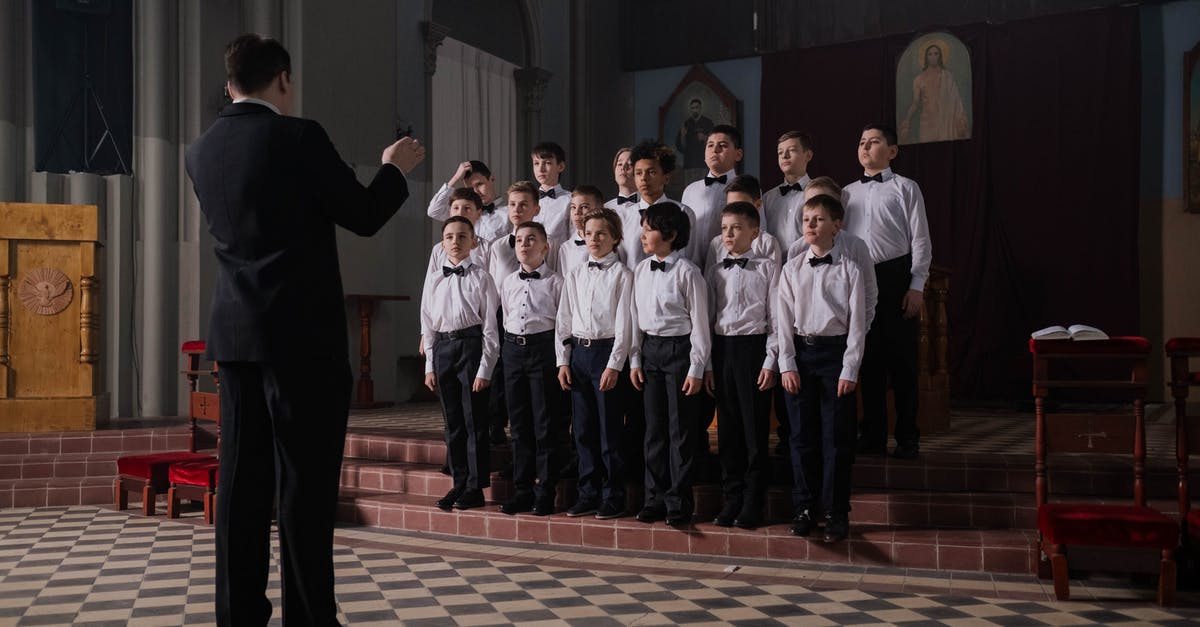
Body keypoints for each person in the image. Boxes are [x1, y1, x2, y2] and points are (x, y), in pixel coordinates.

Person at [184, 33, 425, 625]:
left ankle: (238, 616)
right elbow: (364, 215)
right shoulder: (299, 136)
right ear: (283, 79)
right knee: (305, 485)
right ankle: (310, 618)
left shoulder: (200, 150)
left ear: (229, 83)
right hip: (303, 341)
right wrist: (394, 170)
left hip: (236, 339)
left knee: (241, 486)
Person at [777, 194, 867, 544]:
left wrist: (850, 368)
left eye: (818, 219)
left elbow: (857, 325)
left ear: (837, 225)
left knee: (836, 439)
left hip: (835, 356)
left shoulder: (850, 269)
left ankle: (835, 512)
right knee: (801, 438)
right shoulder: (791, 269)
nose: (810, 226)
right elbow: (783, 321)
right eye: (806, 220)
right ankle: (803, 508)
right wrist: (786, 362)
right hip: (801, 355)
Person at [843, 123, 931, 460]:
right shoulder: (847, 192)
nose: (865, 147)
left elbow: (920, 240)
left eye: (874, 142)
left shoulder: (907, 188)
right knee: (869, 363)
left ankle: (908, 436)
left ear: (892, 151)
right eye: (861, 142)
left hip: (895, 277)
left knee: (903, 364)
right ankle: (873, 435)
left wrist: (916, 285)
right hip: (858, 280)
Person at [629, 202, 710, 528]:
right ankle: (654, 499)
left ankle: (678, 502)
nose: (643, 236)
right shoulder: (639, 270)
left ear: (671, 235)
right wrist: (635, 357)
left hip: (680, 352)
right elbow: (634, 319)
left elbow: (701, 324)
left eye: (649, 229)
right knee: (654, 431)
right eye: (644, 228)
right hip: (650, 352)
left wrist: (697, 367)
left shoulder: (688, 272)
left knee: (680, 432)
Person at [703, 201, 779, 530]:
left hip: (754, 349)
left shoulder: (767, 268)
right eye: (724, 229)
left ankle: (753, 501)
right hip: (722, 349)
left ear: (755, 232)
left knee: (753, 431)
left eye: (736, 228)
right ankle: (731, 497)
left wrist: (771, 359)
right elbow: (705, 319)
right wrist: (706, 364)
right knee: (728, 430)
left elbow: (776, 318)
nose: (728, 234)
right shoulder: (714, 270)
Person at [556, 208, 634, 520]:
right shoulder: (574, 274)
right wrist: (563, 360)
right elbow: (564, 319)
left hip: (606, 354)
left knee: (609, 431)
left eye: (601, 233)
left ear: (616, 238)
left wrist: (615, 365)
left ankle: (613, 494)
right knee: (583, 431)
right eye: (589, 233)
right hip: (579, 354)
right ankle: (587, 493)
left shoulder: (623, 275)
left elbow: (625, 324)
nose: (594, 239)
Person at [421, 216, 500, 513]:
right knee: (451, 422)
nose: (456, 241)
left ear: (473, 242)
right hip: (442, 348)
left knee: (473, 421)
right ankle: (458, 481)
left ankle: (475, 487)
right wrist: (430, 364)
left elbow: (491, 328)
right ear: (443, 243)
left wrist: (485, 368)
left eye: (462, 236)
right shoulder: (434, 277)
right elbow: (426, 322)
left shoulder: (483, 277)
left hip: (471, 346)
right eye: (450, 236)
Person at [498, 221, 565, 516]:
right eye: (520, 240)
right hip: (513, 350)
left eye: (531, 240)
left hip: (544, 349)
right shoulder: (508, 281)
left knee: (545, 424)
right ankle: (522, 489)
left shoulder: (557, 282)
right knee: (519, 424)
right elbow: (507, 317)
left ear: (545, 246)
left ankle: (545, 492)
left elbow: (563, 325)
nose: (524, 245)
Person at [620, 140, 698, 272]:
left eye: (651, 172)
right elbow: (621, 259)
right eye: (639, 173)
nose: (644, 178)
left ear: (666, 178)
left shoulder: (683, 212)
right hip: (634, 288)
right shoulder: (624, 215)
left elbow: (691, 256)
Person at [681, 124, 744, 270]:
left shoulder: (744, 189)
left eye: (722, 145)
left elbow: (757, 233)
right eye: (710, 145)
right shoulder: (690, 190)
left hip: (729, 267)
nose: (715, 150)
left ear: (738, 154)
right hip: (691, 267)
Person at [899, 43, 969, 144]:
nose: (933, 57)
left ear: (940, 56)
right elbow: (915, 102)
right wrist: (907, 119)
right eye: (930, 54)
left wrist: (961, 119)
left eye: (936, 54)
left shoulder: (947, 76)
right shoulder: (919, 79)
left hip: (945, 121)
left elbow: (956, 101)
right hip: (927, 121)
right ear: (926, 57)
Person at [427, 159, 509, 241]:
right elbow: (434, 210)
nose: (476, 191)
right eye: (470, 188)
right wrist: (456, 178)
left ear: (491, 178)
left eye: (479, 184)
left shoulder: (509, 213)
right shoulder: (461, 212)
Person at [709, 174, 782, 266]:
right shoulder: (716, 244)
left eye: (741, 206)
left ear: (758, 205)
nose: (734, 211)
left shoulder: (768, 243)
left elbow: (773, 278)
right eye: (730, 206)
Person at [761, 131, 815, 251]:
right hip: (773, 265)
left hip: (808, 265)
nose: (784, 156)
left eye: (792, 150)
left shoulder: (819, 194)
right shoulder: (767, 198)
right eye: (780, 152)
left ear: (808, 155)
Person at [424, 187, 491, 275]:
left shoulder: (487, 248)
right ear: (450, 212)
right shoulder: (439, 249)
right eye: (456, 208)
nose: (460, 213)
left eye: (467, 208)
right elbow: (430, 284)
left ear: (478, 214)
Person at [559, 185, 621, 276]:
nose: (577, 213)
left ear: (599, 209)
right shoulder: (565, 248)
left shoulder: (609, 243)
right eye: (573, 207)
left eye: (584, 207)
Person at [532, 141, 572, 243]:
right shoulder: (529, 200)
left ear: (561, 166)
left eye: (547, 163)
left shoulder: (570, 200)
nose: (540, 169)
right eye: (536, 163)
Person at [675, 97, 714, 169]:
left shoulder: (708, 122)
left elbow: (715, 142)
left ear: (700, 108)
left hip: (703, 162)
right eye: (692, 108)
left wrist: (705, 138)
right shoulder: (685, 124)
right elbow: (679, 145)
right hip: (689, 162)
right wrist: (682, 136)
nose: (694, 110)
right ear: (690, 109)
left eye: (696, 107)